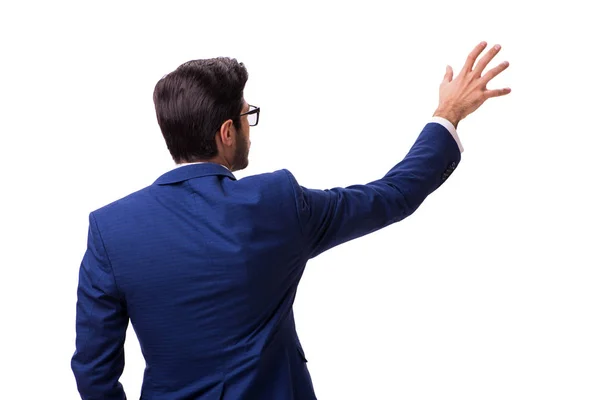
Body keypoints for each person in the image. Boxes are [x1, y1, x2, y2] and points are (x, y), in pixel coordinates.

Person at [71, 41, 510, 399]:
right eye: (247, 116)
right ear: (227, 132)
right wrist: (447, 115)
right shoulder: (275, 204)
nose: (249, 127)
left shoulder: (110, 228)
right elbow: (392, 195)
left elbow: (94, 372)